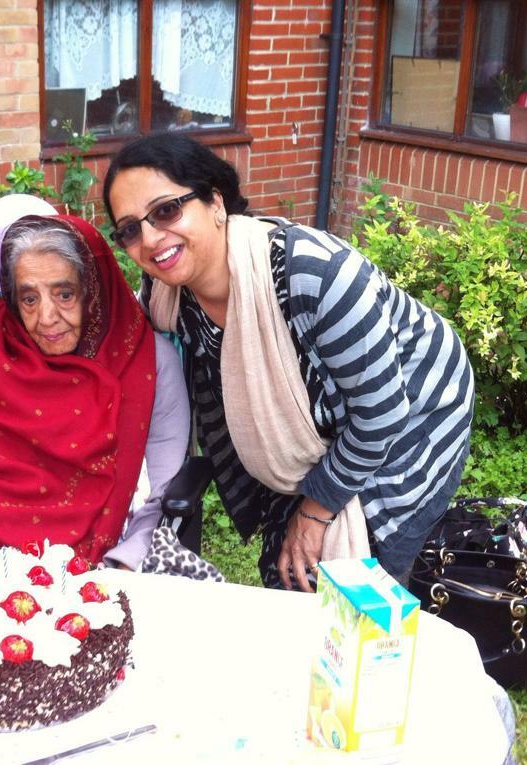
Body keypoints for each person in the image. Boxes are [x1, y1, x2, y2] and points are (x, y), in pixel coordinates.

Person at [103, 133, 474, 590]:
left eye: (165, 210)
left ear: (215, 202)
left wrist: (315, 513)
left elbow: (382, 414)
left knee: (356, 580)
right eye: (129, 229)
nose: (151, 238)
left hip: (413, 415)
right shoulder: (166, 298)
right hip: (314, 439)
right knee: (287, 571)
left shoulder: (316, 276)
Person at [0, 215, 189, 569]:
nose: (46, 318)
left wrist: (123, 567)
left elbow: (163, 493)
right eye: (29, 299)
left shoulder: (149, 362)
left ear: (94, 289)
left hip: (102, 564)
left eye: (65, 295)